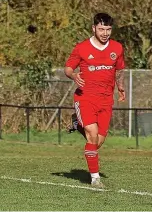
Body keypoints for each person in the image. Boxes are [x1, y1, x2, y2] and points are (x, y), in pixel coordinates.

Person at [64, 13, 126, 188]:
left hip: (106, 100)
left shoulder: (117, 48)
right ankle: (95, 179)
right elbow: (68, 68)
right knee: (92, 134)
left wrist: (120, 87)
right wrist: (73, 75)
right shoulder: (82, 48)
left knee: (97, 142)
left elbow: (120, 70)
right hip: (85, 98)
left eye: (108, 29)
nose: (105, 33)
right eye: (101, 29)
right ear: (93, 28)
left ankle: (77, 124)